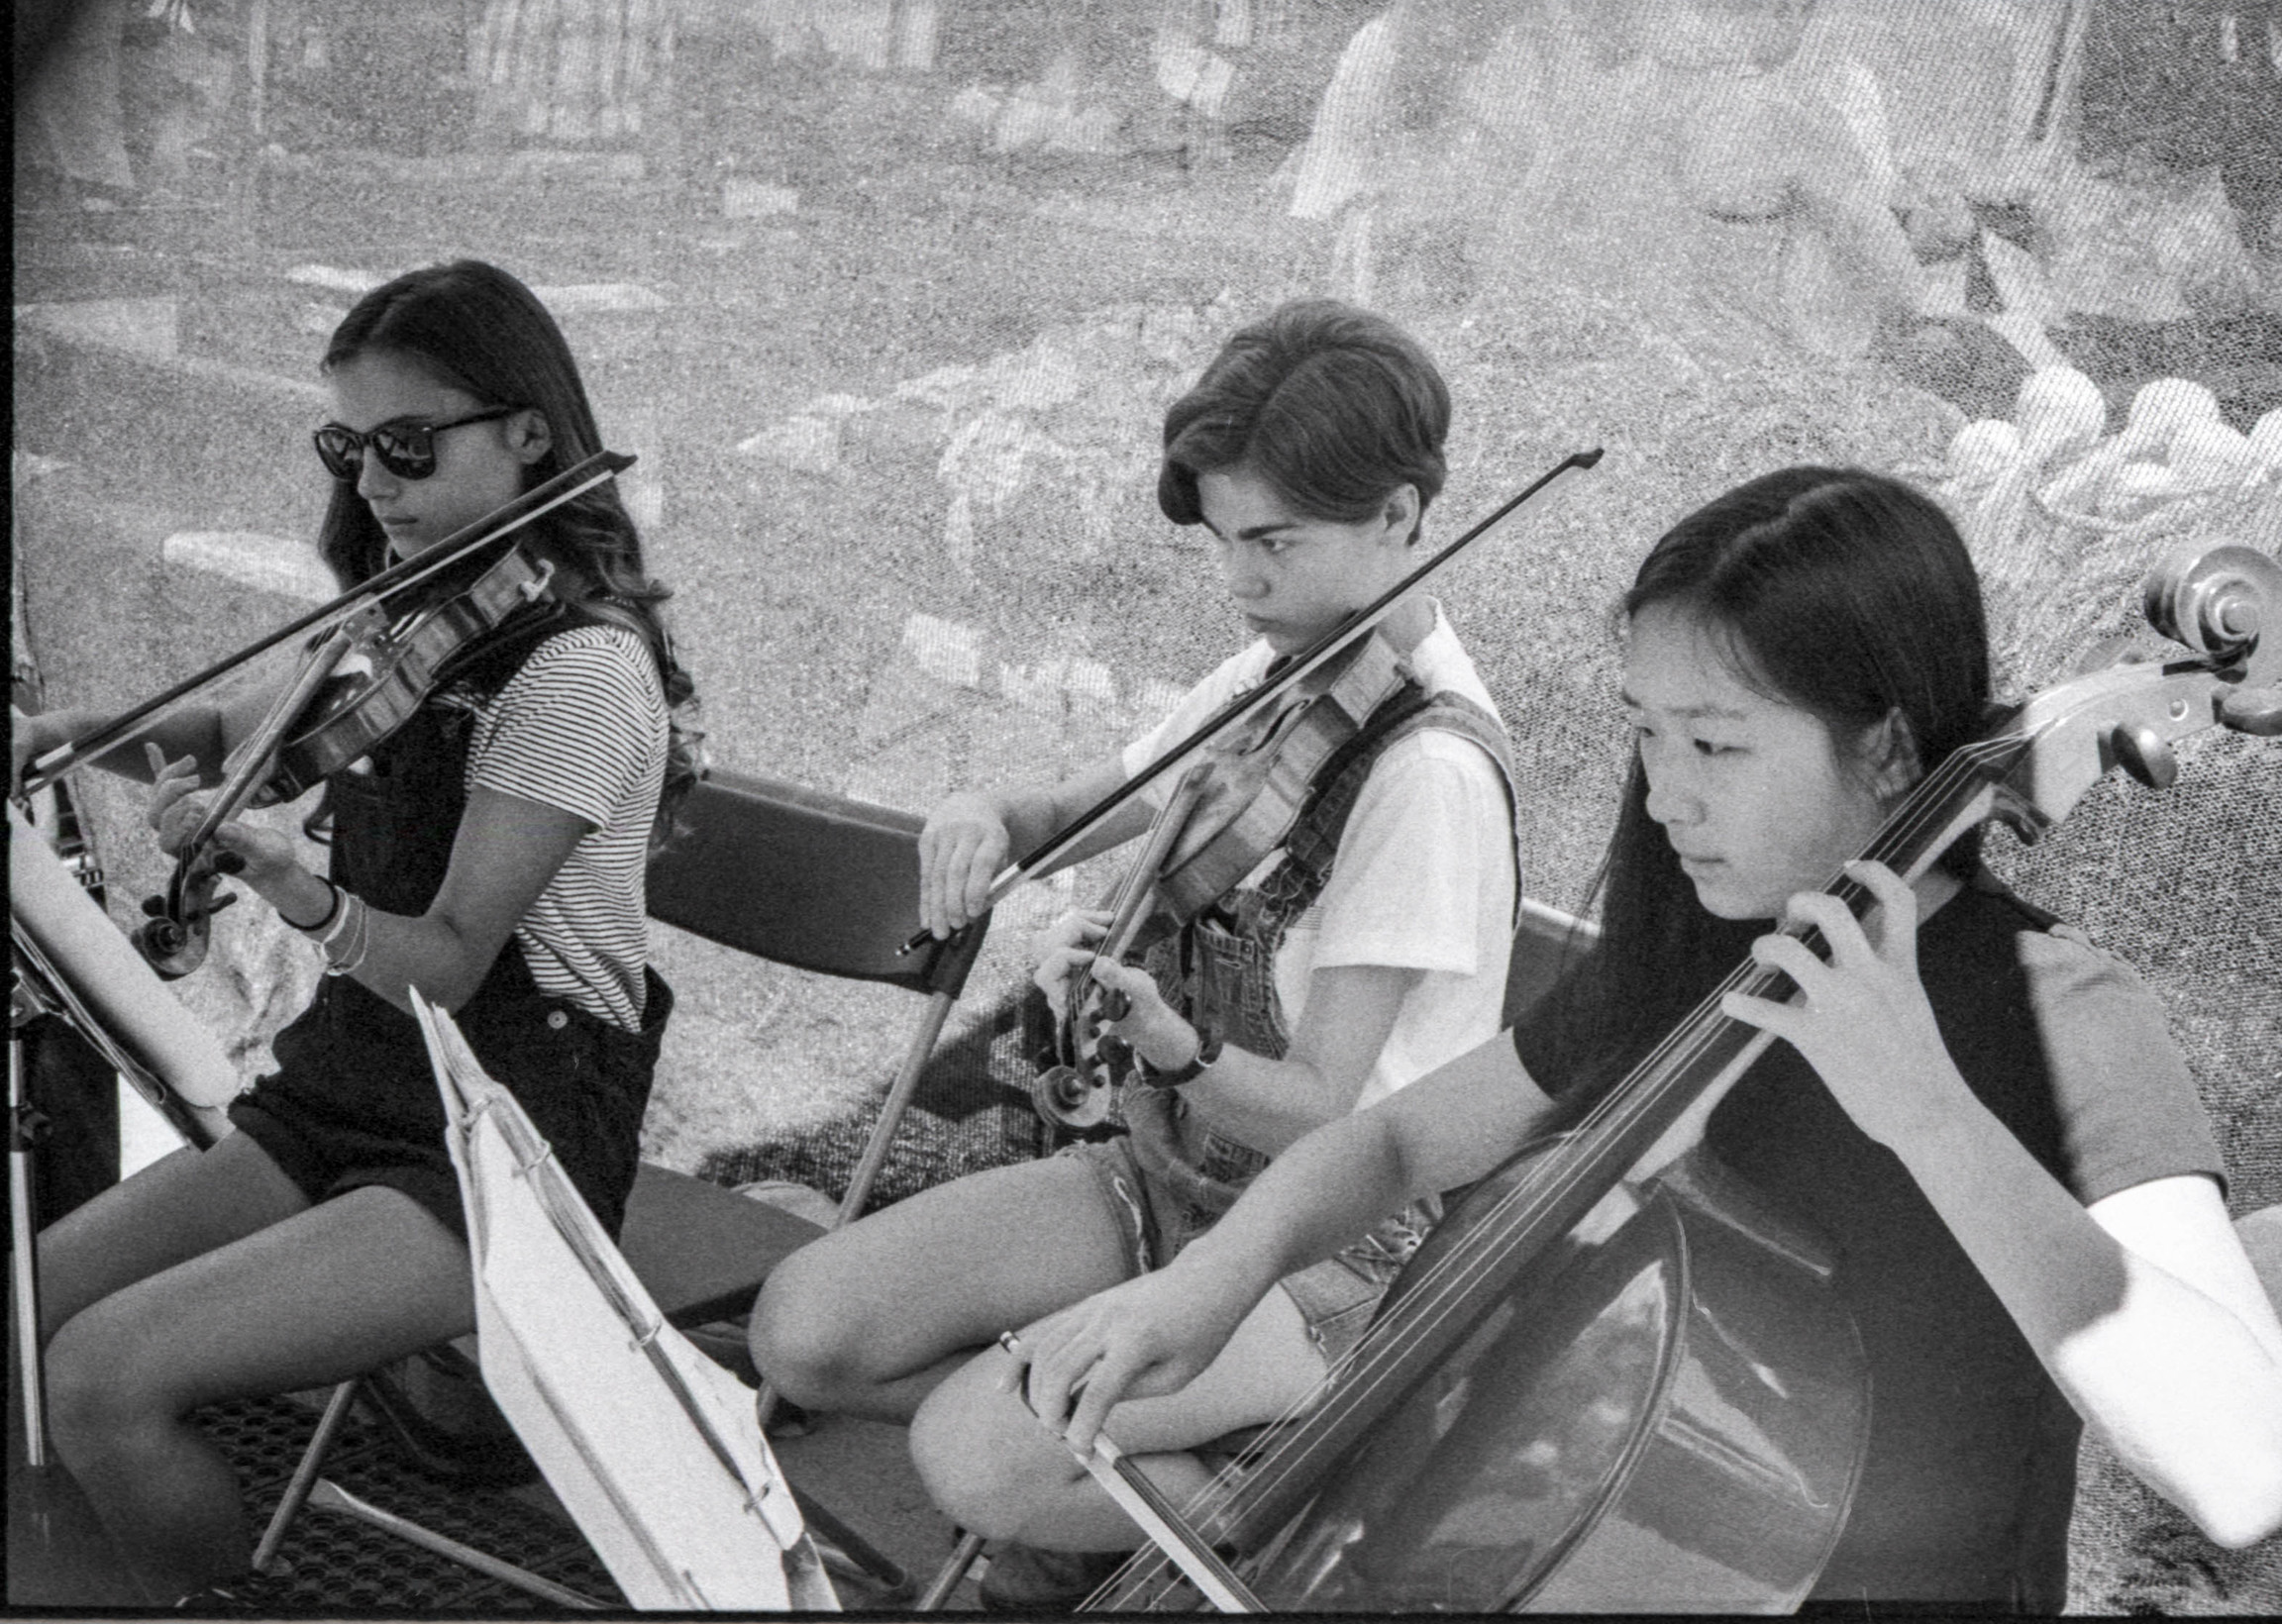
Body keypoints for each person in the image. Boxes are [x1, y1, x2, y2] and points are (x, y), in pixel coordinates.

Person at [996, 466, 2282, 1611]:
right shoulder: (1697, 954)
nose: (1666, 795)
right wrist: (1208, 1285)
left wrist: (1934, 1116)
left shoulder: (2060, 1015)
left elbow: (2240, 1471)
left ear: (1892, 747)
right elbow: (1396, 1144)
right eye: (1645, 733)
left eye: (1717, 745)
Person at [748, 297, 1521, 1610]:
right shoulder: (1282, 671)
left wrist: (1177, 1044)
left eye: (1274, 543)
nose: (1244, 584)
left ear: (1398, 517)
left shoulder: (1429, 771)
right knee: (805, 1332)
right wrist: (985, 812)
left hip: (1334, 1249)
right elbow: (1075, 813)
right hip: (1179, 1170)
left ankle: (1286, 1504)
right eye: (1227, 545)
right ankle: (1109, 1453)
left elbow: (1330, 1111)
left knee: (973, 1452)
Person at [11, 258, 702, 1606]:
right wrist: (60, 737)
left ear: (529, 435)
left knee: (100, 1380)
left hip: (506, 1135)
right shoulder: (406, 612)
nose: (373, 483)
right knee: (21, 1321)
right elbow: (235, 733)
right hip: (354, 1084)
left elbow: (445, 960)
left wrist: (295, 888)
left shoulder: (577, 669)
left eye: (405, 445)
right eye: (351, 446)